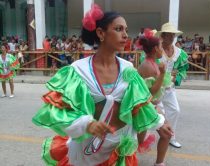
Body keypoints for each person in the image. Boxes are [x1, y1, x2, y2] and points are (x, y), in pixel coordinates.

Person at [32, 4, 171, 166]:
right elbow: (57, 112)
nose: (125, 35)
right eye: (118, 29)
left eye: (126, 30)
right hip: (87, 150)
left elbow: (140, 106)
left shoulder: (128, 69)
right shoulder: (78, 71)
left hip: (118, 147)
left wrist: (160, 122)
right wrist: (87, 124)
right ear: (100, 33)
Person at [137, 29, 173, 166]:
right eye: (160, 46)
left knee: (139, 139)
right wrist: (163, 74)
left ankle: (159, 163)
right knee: (166, 134)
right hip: (146, 107)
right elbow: (150, 93)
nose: (162, 49)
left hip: (153, 106)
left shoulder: (153, 63)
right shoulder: (147, 66)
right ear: (154, 49)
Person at [156, 22, 189, 148]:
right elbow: (147, 62)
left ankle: (170, 136)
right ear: (163, 36)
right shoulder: (156, 50)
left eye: (173, 35)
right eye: (169, 35)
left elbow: (183, 69)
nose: (171, 38)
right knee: (156, 113)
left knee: (175, 110)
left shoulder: (180, 53)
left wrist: (177, 77)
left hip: (169, 88)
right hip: (155, 88)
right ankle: (141, 137)